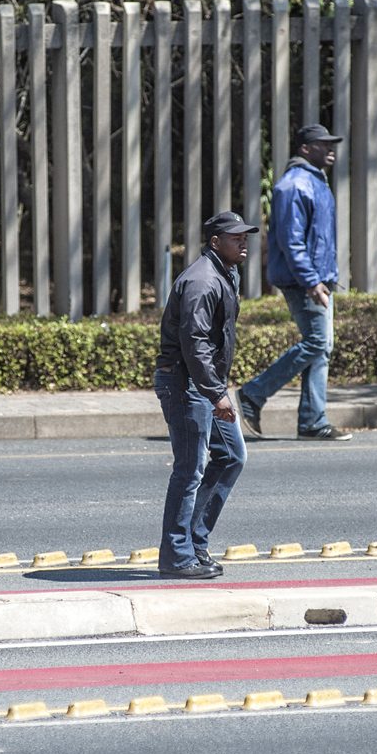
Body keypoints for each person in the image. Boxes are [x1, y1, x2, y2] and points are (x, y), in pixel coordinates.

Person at [154, 211, 257, 579]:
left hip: (204, 383)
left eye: (245, 237)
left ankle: (194, 543)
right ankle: (177, 556)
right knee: (190, 469)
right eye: (235, 237)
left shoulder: (225, 273)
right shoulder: (202, 281)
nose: (243, 242)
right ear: (215, 242)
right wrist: (216, 393)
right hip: (186, 384)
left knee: (231, 456)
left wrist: (215, 388)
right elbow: (194, 343)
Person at [237, 124, 352, 441]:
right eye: (322, 144)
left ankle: (313, 421)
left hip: (318, 280)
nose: (330, 149)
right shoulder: (293, 186)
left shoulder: (315, 181)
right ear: (304, 148)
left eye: (331, 144)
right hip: (305, 282)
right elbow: (292, 241)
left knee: (322, 348)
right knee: (317, 342)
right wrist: (312, 282)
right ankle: (253, 394)